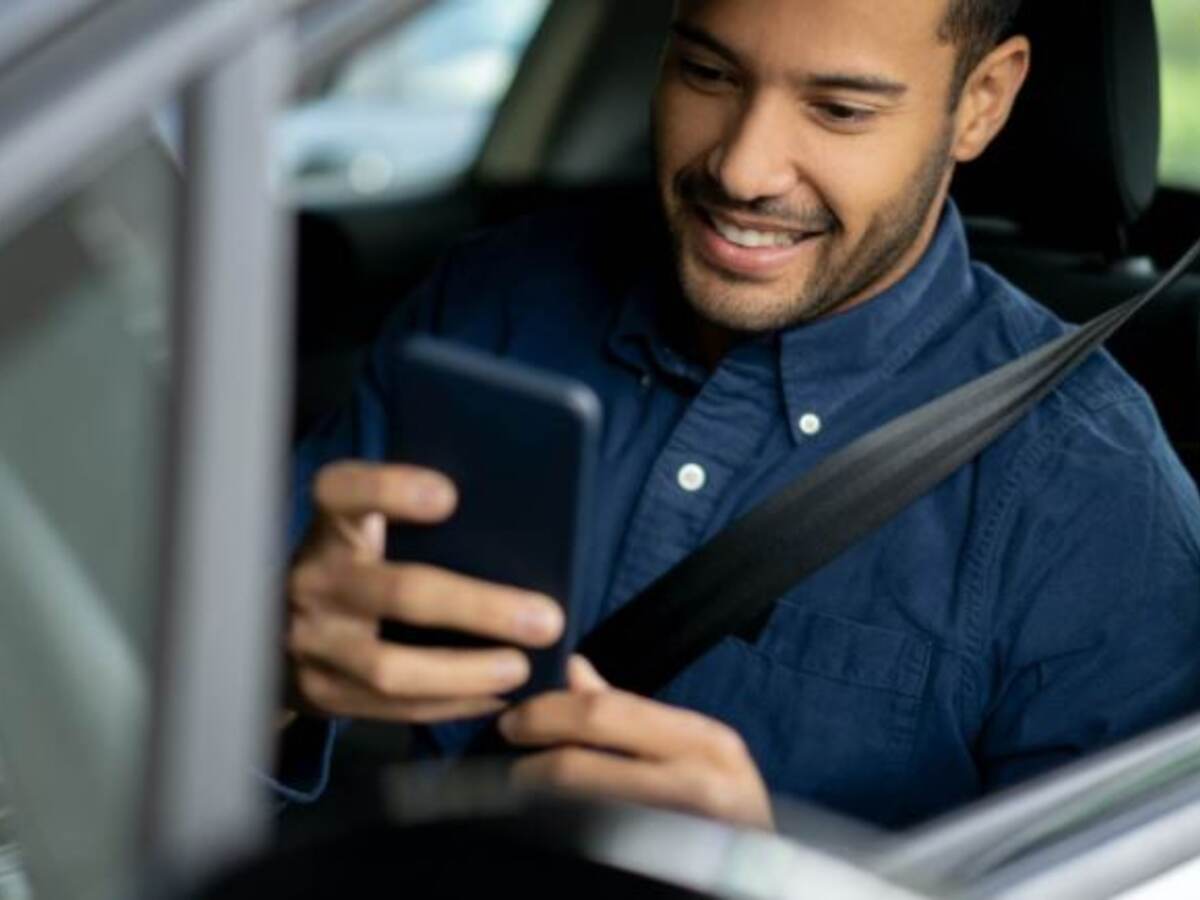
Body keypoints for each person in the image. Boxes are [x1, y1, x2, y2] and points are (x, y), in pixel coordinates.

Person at [279, 0, 1200, 830]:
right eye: (708, 73)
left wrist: (772, 877)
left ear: (983, 101)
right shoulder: (492, 308)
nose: (742, 168)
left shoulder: (1093, 498)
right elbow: (194, 694)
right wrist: (276, 678)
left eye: (839, 110)